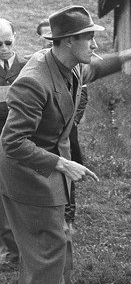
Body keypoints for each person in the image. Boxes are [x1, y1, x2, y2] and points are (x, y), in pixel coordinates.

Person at [0, 5, 131, 284]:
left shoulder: (70, 65)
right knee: (46, 246)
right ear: (69, 41)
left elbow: (95, 68)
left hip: (52, 170)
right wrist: (60, 164)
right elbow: (11, 142)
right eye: (89, 38)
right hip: (28, 175)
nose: (95, 45)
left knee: (62, 241)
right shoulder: (34, 80)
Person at [37, 19, 89, 231]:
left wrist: (71, 120)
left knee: (70, 169)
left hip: (67, 132)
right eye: (46, 36)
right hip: (44, 137)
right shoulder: (37, 70)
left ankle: (67, 216)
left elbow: (82, 94)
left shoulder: (74, 67)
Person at [0, 19, 25, 272]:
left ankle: (28, 247)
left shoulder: (27, 67)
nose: (4, 48)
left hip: (24, 141)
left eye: (8, 42)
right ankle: (10, 251)